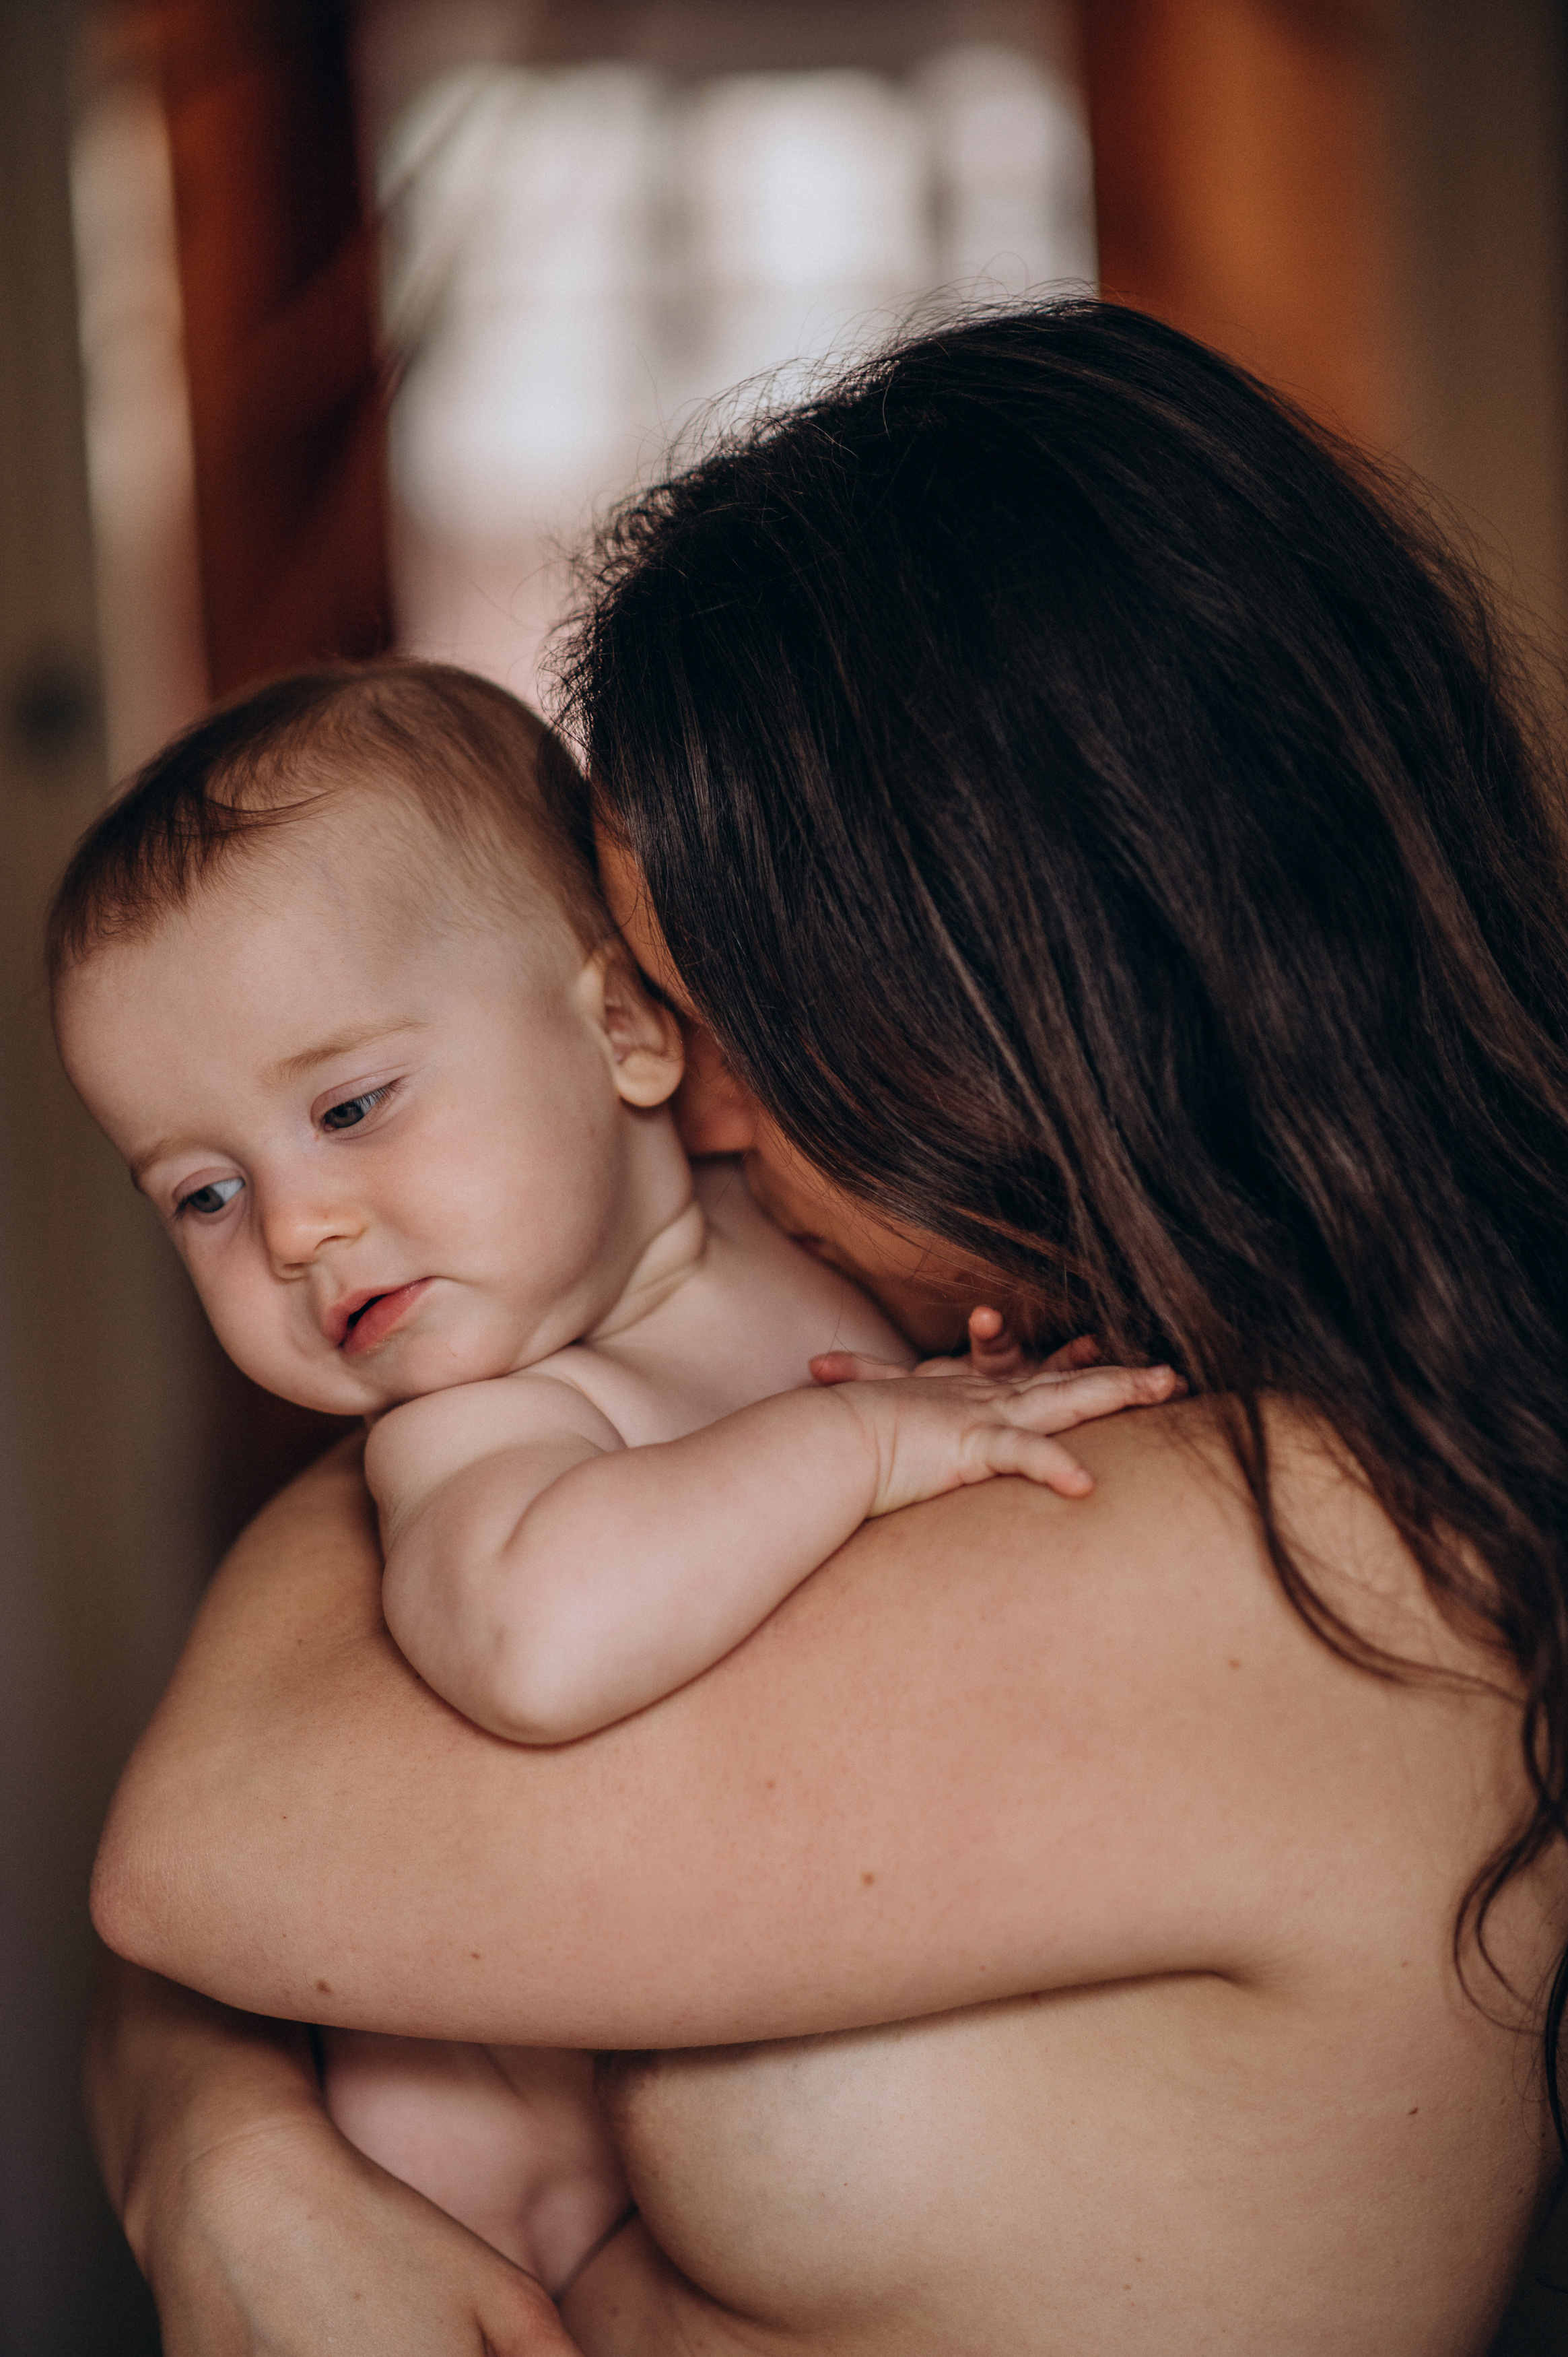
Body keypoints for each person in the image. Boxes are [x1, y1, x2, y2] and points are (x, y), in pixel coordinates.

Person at [84, 300, 1568, 2355]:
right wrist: (212, 2139)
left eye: (741, 1024)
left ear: (1018, 985)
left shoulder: (1334, 1548)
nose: (685, 1111)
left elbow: (221, 1836)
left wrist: (204, 2118)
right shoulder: (1007, 1364)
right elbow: (333, 1686)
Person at [50, 659, 1170, 2294]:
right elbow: (538, 1635)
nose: (297, 1228)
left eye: (352, 1104)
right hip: (483, 2213)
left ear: (633, 1031)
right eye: (204, 1194)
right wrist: (865, 1439)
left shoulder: (781, 1233)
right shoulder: (479, 1421)